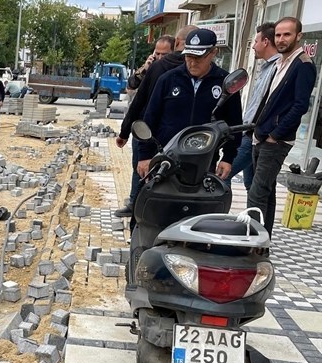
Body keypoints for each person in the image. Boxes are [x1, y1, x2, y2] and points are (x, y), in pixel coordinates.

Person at [114, 25, 197, 218]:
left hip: (159, 132)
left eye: (163, 53)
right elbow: (134, 89)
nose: (160, 58)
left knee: (151, 171)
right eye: (156, 54)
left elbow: (140, 102)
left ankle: (144, 209)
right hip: (147, 128)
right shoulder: (156, 67)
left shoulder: (175, 70)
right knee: (141, 168)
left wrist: (125, 132)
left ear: (176, 45)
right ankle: (137, 204)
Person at [139, 28, 243, 180]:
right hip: (166, 159)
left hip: (205, 161)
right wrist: (144, 155)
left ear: (213, 53)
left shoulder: (225, 83)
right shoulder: (168, 79)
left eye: (198, 57)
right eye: (189, 56)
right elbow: (150, 118)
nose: (192, 62)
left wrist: (228, 158)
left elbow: (234, 123)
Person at [248, 17, 317, 238]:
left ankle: (251, 242)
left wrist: (275, 135)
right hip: (261, 135)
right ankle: (262, 240)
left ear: (299, 36)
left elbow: (300, 106)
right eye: (278, 35)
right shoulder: (280, 63)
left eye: (287, 34)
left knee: (256, 194)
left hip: (275, 140)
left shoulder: (303, 65)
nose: (281, 39)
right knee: (265, 193)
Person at [225, 23, 281, 191]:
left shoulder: (278, 68)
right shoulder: (266, 67)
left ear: (265, 41)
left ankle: (219, 214)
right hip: (249, 132)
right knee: (252, 185)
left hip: (254, 134)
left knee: (223, 174)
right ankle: (255, 216)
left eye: (255, 41)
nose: (253, 46)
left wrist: (266, 133)